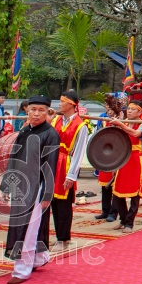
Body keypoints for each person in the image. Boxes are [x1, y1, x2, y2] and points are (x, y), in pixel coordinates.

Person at [3, 95, 60, 284]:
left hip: (37, 186)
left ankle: (21, 271)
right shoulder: (25, 130)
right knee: (26, 224)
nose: (36, 113)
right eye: (33, 109)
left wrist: (47, 193)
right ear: (27, 110)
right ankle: (39, 258)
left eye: (41, 110)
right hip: (20, 184)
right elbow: (14, 156)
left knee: (27, 228)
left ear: (47, 112)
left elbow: (51, 166)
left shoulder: (50, 134)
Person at [49, 90, 89, 249]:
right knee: (53, 202)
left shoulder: (81, 126)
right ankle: (59, 236)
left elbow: (79, 153)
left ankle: (64, 238)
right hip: (53, 162)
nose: (59, 104)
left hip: (66, 164)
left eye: (62, 101)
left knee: (64, 203)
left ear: (71, 105)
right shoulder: (56, 120)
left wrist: (71, 176)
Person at [110, 99, 142, 232]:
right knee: (117, 192)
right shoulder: (125, 122)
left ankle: (129, 223)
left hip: (136, 160)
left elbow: (135, 134)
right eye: (129, 109)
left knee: (134, 194)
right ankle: (123, 219)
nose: (130, 111)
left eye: (133, 109)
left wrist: (120, 125)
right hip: (123, 159)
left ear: (139, 112)